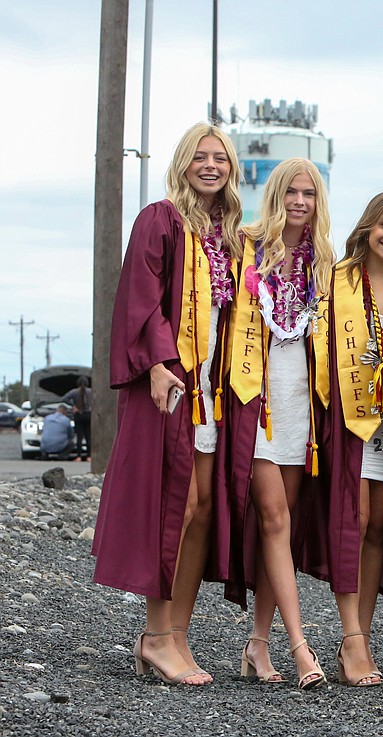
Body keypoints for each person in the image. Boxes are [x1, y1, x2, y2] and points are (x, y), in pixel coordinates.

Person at [91, 122, 244, 685]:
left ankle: (176, 635)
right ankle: (155, 635)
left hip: (212, 382)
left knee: (202, 507)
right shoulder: (162, 218)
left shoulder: (228, 231)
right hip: (173, 377)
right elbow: (140, 294)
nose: (210, 165)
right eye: (200, 157)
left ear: (231, 168)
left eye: (220, 158)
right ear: (182, 164)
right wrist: (157, 364)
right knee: (173, 505)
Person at [227, 157, 333, 690]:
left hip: (299, 404)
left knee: (282, 527)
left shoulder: (324, 264)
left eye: (308, 194)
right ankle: (300, 647)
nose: (299, 201)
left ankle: (257, 645)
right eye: (290, 191)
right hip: (256, 398)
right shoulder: (245, 248)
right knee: (272, 517)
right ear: (274, 195)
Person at [312, 191, 383, 686]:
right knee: (353, 522)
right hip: (352, 416)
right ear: (366, 227)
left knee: (377, 527)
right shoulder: (336, 281)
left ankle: (361, 634)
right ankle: (352, 638)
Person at [62, 377, 93, 459]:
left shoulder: (74, 392)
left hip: (78, 414)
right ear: (87, 383)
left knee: (79, 436)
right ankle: (89, 456)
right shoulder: (91, 391)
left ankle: (78, 456)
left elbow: (64, 398)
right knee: (88, 436)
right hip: (88, 414)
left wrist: (73, 405)